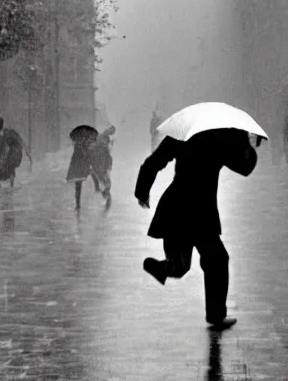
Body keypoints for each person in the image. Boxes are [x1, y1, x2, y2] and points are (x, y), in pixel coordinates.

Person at [135, 128, 260, 330]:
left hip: (178, 207)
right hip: (200, 210)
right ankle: (213, 312)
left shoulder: (182, 134)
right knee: (208, 262)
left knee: (207, 261)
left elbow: (154, 162)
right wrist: (247, 144)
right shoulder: (221, 138)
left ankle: (214, 313)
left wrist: (142, 192)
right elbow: (244, 167)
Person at [66, 128, 97, 223]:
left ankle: (78, 204)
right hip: (82, 163)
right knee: (82, 180)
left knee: (78, 184)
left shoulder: (78, 143)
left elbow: (78, 154)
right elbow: (86, 153)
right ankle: (78, 203)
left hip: (79, 164)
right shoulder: (84, 144)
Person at [89, 125, 115, 210]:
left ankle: (105, 194)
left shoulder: (103, 141)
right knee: (104, 182)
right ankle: (106, 195)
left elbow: (108, 156)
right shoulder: (100, 144)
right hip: (98, 167)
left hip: (101, 167)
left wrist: (109, 165)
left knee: (105, 182)